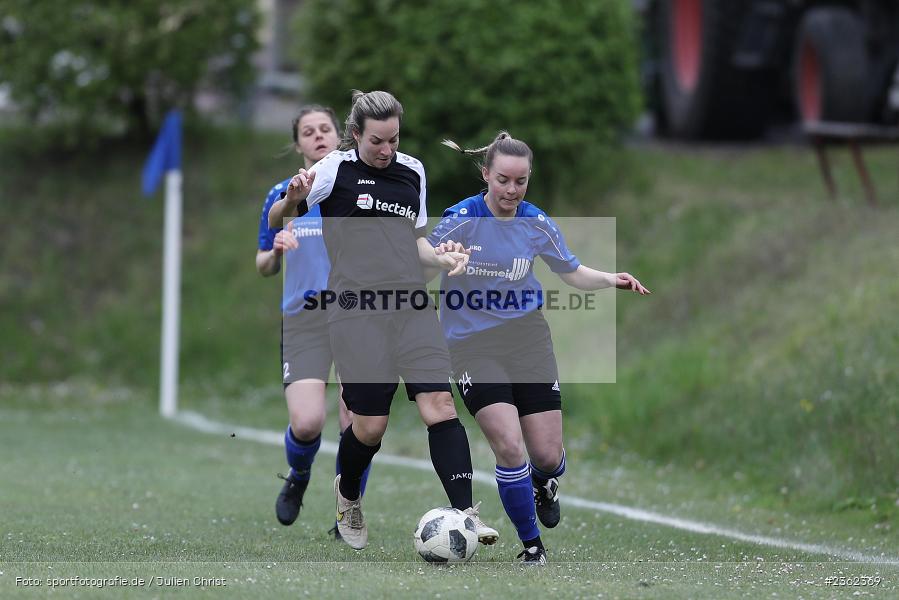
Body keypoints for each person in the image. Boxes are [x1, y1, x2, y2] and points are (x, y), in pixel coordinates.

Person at [267, 90, 498, 551]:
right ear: (355, 135)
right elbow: (278, 219)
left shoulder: (412, 171)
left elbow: (414, 243)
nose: (387, 149)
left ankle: (465, 515)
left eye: (393, 139)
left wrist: (442, 256)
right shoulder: (334, 170)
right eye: (377, 141)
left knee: (440, 406)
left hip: (411, 305)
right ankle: (347, 493)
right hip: (355, 312)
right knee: (370, 426)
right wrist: (291, 198)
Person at [428, 132, 650, 565]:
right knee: (510, 446)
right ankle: (533, 547)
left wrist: (611, 279)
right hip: (471, 345)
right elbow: (420, 257)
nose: (512, 190)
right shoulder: (461, 218)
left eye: (521, 181)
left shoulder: (536, 222)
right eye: (504, 180)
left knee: (546, 456)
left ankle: (545, 483)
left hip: (527, 339)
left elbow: (571, 271)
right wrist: (440, 257)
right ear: (485, 175)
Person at [256, 105, 370, 538]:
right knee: (306, 423)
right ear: (298, 142)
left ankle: (347, 511)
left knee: (354, 422)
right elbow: (263, 265)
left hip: (355, 315)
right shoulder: (282, 195)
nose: (318, 135)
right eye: (309, 131)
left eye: (325, 128)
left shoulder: (358, 190)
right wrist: (277, 251)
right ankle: (299, 475)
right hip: (304, 319)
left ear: (339, 136)